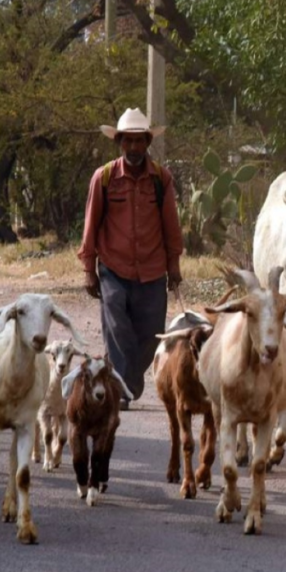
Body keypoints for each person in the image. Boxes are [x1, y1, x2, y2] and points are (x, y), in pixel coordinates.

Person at [78, 108, 183, 410]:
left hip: (152, 270)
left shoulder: (161, 179)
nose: (134, 148)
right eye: (128, 142)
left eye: (140, 142)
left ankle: (127, 382)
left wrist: (174, 267)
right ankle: (121, 390)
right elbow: (91, 224)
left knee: (150, 335)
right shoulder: (105, 177)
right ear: (120, 142)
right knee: (117, 327)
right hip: (114, 267)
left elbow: (171, 227)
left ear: (148, 142)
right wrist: (89, 269)